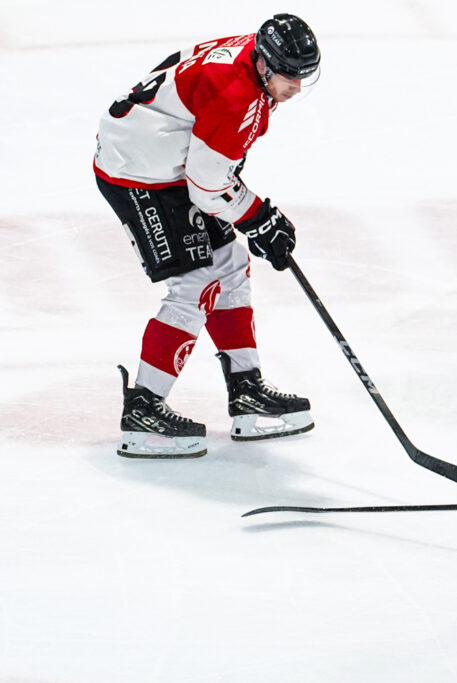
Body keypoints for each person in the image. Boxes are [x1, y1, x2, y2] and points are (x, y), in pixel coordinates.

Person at [94, 14, 321, 458]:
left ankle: (246, 388)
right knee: (195, 281)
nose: (296, 86)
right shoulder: (237, 94)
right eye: (288, 75)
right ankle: (143, 407)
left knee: (230, 264)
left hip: (163, 158)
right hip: (137, 173)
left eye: (304, 76)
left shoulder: (251, 54)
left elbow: (179, 70)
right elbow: (207, 186)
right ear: (264, 64)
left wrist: (248, 210)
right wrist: (259, 217)